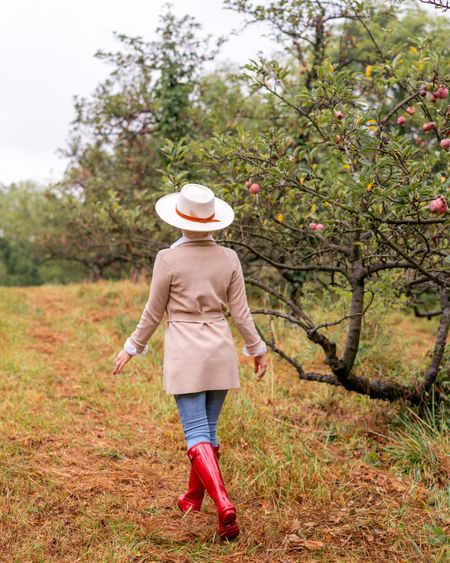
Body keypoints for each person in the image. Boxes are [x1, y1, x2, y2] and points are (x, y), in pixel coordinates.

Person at [113, 183, 269, 540]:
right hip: (220, 349)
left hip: (186, 352)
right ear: (212, 222)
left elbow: (152, 313)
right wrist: (256, 349)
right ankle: (192, 498)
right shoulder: (229, 258)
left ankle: (224, 503)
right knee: (209, 432)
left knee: (196, 432)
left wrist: (132, 346)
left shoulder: (167, 259)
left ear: (180, 221)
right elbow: (242, 314)